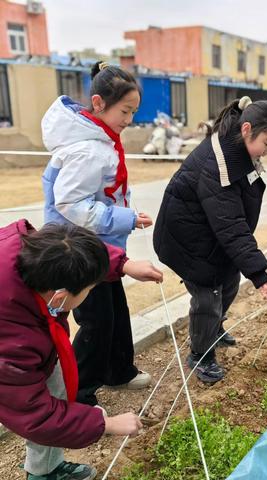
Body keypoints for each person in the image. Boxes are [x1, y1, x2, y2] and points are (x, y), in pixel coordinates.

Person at [0, 220, 163, 480]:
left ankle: (47, 469)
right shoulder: (14, 344)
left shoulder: (31, 248)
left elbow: (72, 248)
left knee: (56, 386)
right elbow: (35, 413)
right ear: (59, 298)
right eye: (90, 289)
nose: (91, 291)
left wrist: (124, 264)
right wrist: (106, 425)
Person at [41, 61, 154, 406]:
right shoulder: (87, 148)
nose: (129, 119)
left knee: (115, 311)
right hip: (80, 248)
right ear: (99, 102)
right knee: (95, 322)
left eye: (134, 111)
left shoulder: (99, 139)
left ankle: (119, 369)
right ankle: (79, 392)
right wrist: (125, 218)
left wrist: (124, 219)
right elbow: (71, 205)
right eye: (125, 110)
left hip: (101, 246)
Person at [153, 96, 267, 384]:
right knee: (207, 298)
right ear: (247, 128)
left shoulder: (237, 147)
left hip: (211, 233)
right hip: (188, 239)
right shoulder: (217, 164)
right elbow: (231, 224)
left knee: (229, 284)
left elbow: (231, 221)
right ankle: (200, 354)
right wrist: (260, 273)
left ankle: (214, 329)